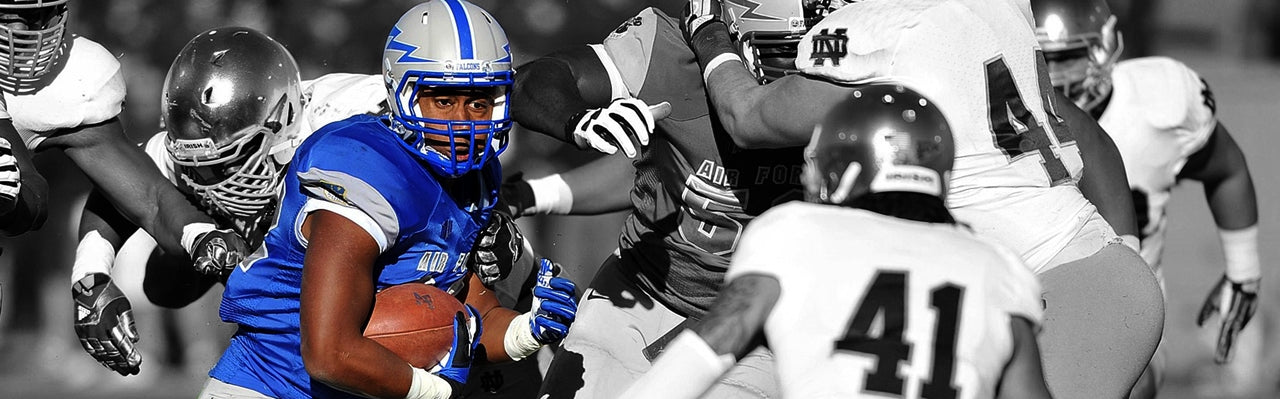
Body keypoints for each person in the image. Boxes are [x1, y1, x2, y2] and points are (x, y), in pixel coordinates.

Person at [679, 0, 1162, 397]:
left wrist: (709, 36)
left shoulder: (883, 31)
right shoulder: (995, 7)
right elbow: (1087, 135)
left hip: (1051, 282)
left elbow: (748, 117)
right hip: (1071, 270)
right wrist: (1128, 252)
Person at [199, 2, 576, 398]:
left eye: (478, 103)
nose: (462, 122)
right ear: (403, 93)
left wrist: (525, 330)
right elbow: (329, 353)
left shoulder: (476, 175)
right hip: (277, 383)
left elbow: (472, 313)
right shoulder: (367, 167)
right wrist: (436, 392)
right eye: (444, 101)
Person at [621, 83, 1053, 399]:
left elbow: (712, 346)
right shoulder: (998, 264)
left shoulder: (794, 231)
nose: (807, 174)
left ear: (846, 169)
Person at [509, 2, 837, 397]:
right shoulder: (666, 51)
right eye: (781, 51)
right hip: (647, 292)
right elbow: (535, 81)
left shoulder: (857, 78)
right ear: (728, 32)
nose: (796, 73)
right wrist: (578, 120)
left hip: (763, 325)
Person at [69, 26, 388, 377]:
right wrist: (91, 274)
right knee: (164, 283)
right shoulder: (189, 153)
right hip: (290, 331)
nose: (217, 182)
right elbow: (118, 186)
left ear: (281, 122)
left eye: (231, 161)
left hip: (378, 284)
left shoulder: (350, 119)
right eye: (201, 169)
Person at [1032, 0, 1263, 397]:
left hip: (1127, 322)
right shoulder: (1001, 126)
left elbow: (1227, 168)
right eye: (1041, 59)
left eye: (1066, 58)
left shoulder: (1158, 102)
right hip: (1025, 307)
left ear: (1102, 48)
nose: (1052, 76)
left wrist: (1243, 271)